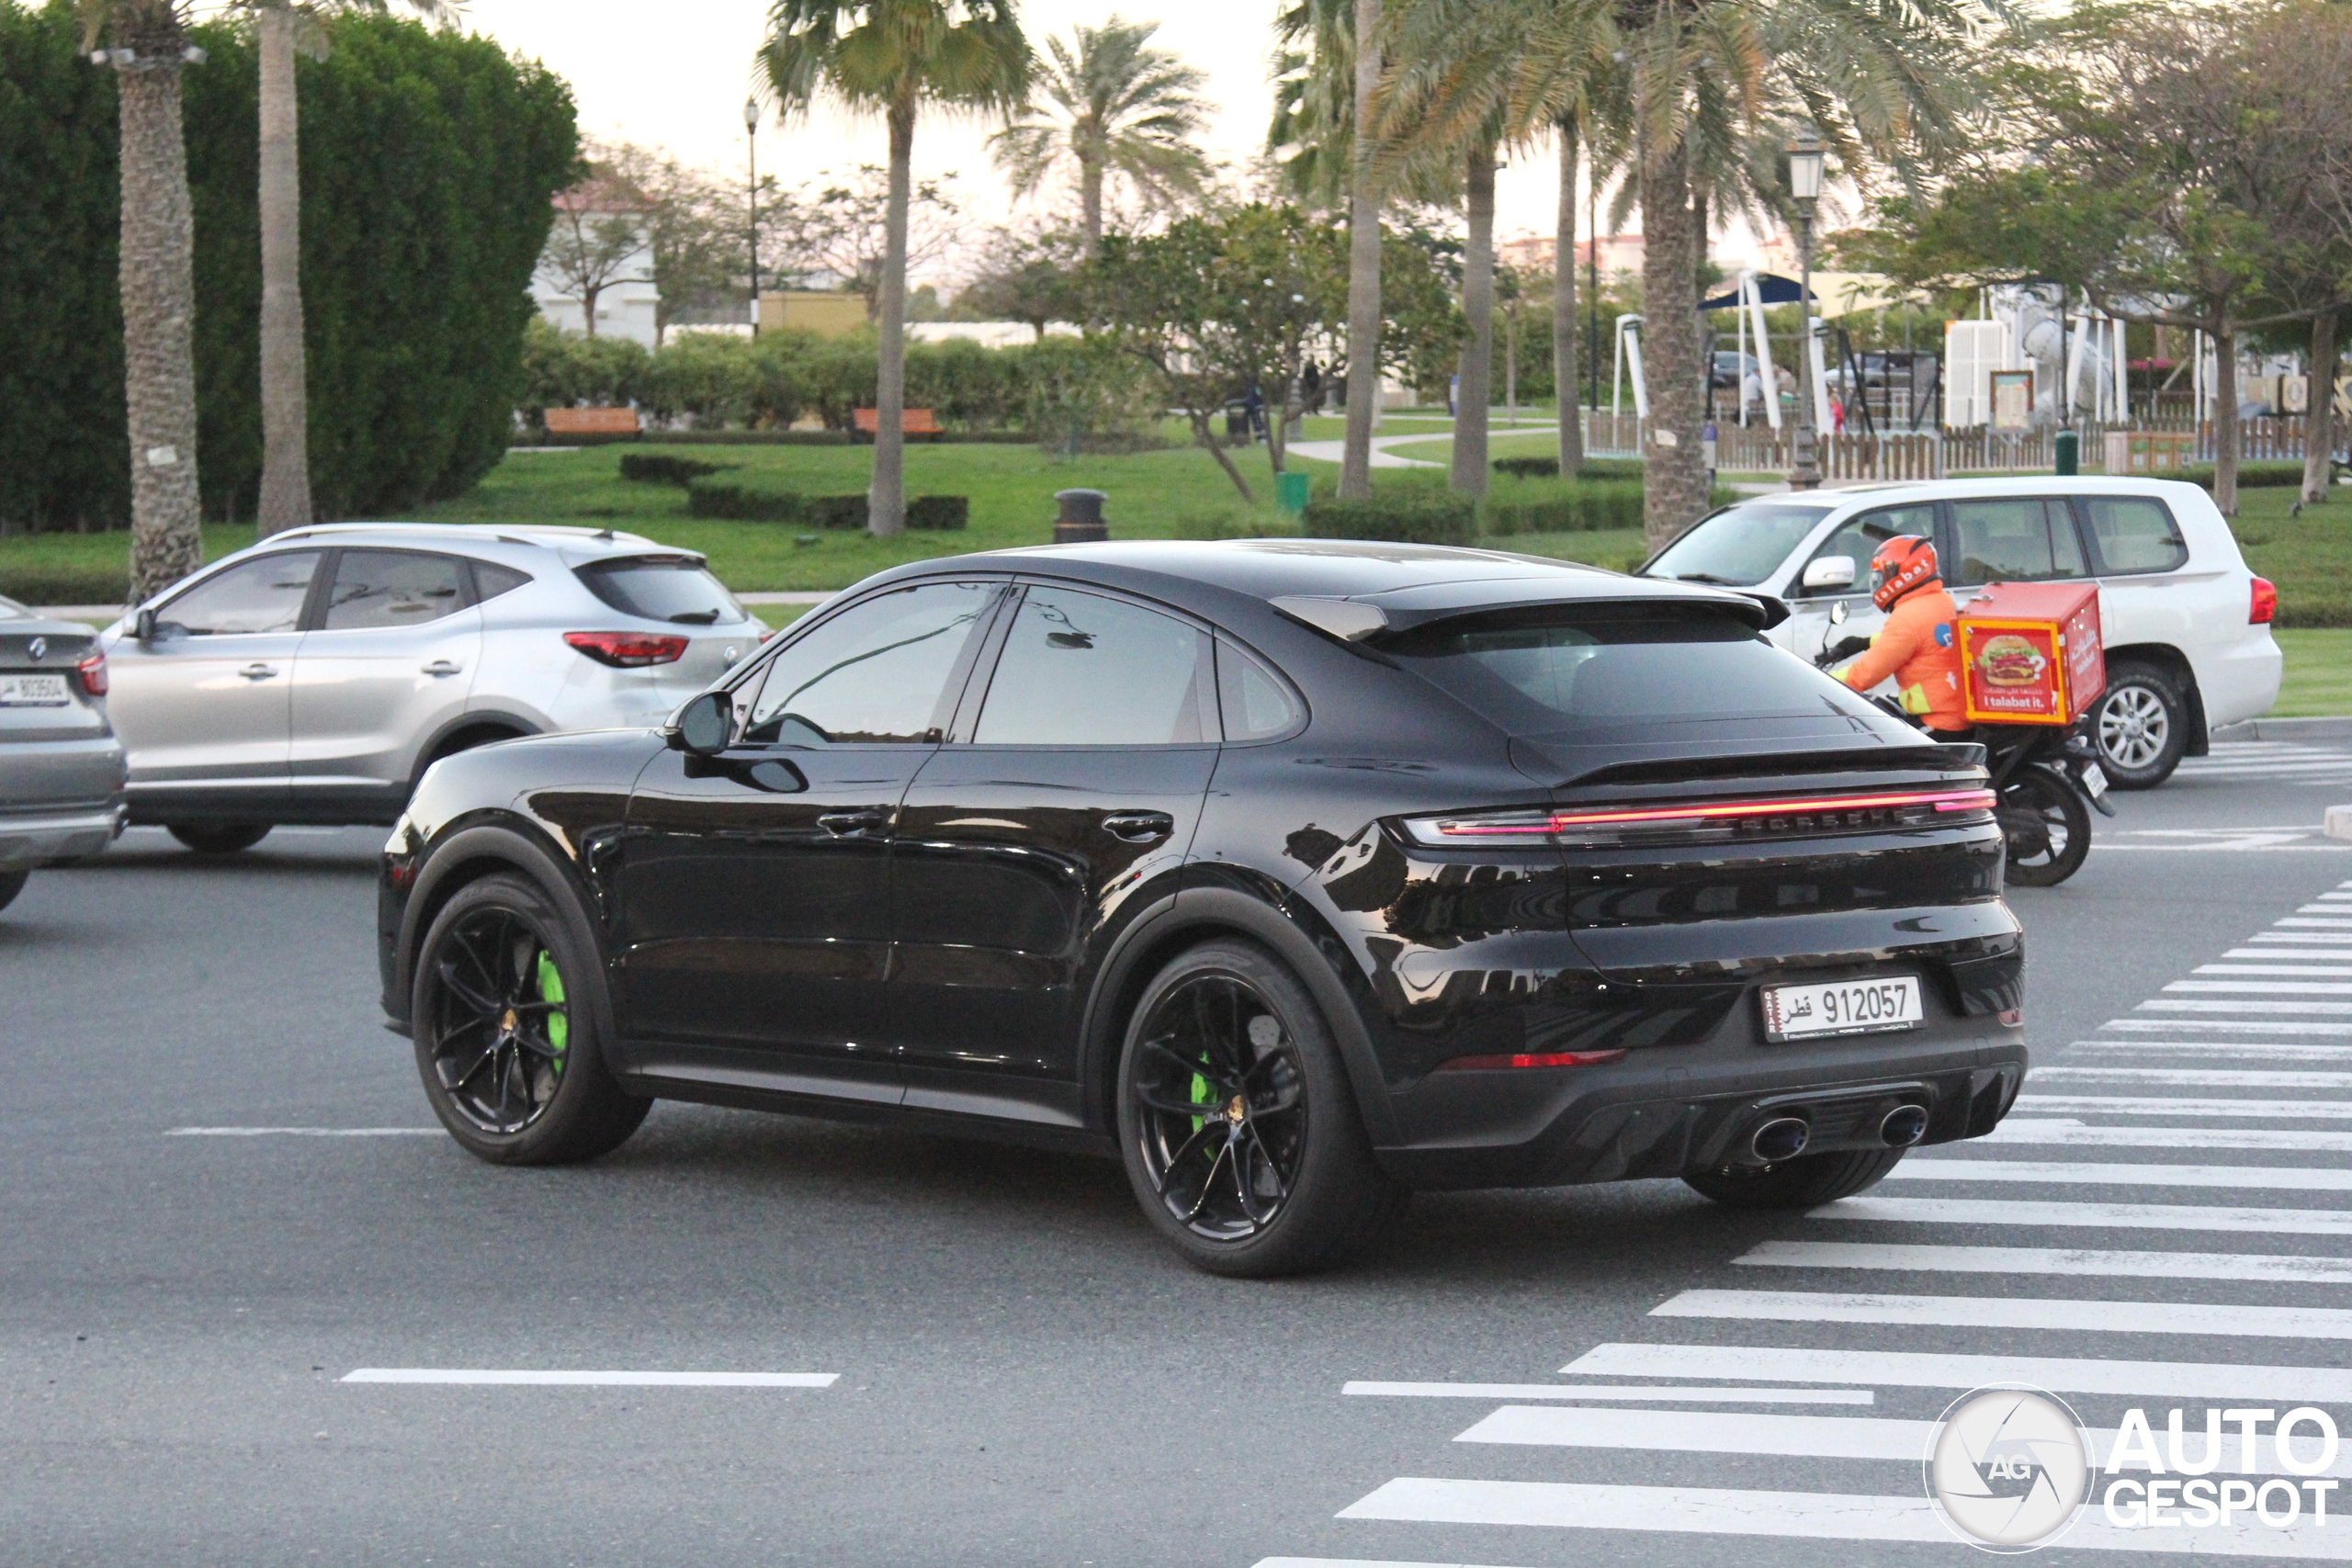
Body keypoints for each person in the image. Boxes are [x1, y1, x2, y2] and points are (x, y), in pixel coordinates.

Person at [1834, 535, 1968, 739]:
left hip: (1937, 724)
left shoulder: (1907, 618)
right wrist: (1864, 642)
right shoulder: (1941, 601)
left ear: (1902, 574)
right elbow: (1919, 641)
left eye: (1880, 577)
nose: (1877, 584)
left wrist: (1819, 681)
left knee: (1869, 738)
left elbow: (1863, 676)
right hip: (1956, 713)